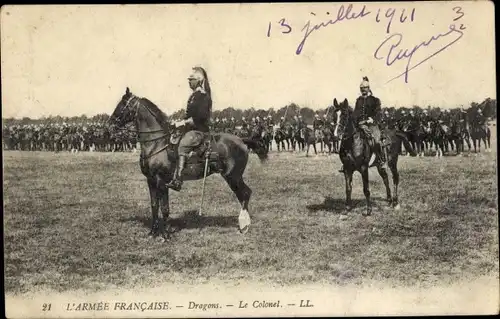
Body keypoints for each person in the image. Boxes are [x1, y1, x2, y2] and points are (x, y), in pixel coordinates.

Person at [166, 66, 212, 191]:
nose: (189, 82)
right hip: (190, 129)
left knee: (183, 145)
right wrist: (178, 122)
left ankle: (178, 180)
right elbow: (187, 115)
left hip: (199, 130)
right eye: (189, 79)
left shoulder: (203, 96)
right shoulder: (193, 96)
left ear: (198, 81)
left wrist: (181, 123)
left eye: (191, 80)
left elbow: (199, 117)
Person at [339, 76, 385, 173]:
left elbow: (379, 113)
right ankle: (347, 163)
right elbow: (356, 113)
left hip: (372, 125)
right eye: (361, 88)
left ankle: (381, 160)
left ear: (368, 88)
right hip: (360, 124)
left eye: (365, 88)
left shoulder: (375, 100)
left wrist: (371, 119)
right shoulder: (358, 100)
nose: (363, 90)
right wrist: (354, 120)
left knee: (376, 141)